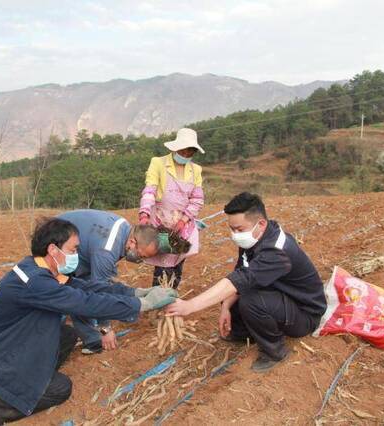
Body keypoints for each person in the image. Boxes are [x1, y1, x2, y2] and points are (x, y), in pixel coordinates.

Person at [0, 218, 177, 426]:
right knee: (60, 389)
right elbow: (86, 302)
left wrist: (135, 292)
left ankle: (30, 376)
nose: (76, 255)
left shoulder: (40, 268)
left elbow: (86, 288)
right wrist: (141, 306)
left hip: (1, 343)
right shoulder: (36, 282)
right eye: (73, 249)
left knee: (67, 335)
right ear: (54, 250)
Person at [165, 192, 327, 372]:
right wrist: (226, 308)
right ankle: (244, 332)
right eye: (232, 229)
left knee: (252, 300)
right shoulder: (256, 238)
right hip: (281, 296)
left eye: (239, 230)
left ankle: (274, 352)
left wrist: (190, 306)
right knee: (234, 293)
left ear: (261, 224)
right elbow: (239, 274)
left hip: (304, 314)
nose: (235, 235)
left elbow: (238, 282)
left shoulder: (277, 252)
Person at [57, 209, 160, 354]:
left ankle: (92, 340)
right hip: (57, 245)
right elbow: (99, 291)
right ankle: (53, 333)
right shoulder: (106, 251)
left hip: (82, 249)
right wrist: (106, 329)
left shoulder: (126, 229)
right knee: (68, 294)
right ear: (132, 242)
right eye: (141, 255)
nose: (140, 260)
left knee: (83, 289)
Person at [139, 127, 205, 288]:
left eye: (190, 152)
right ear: (176, 147)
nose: (186, 155)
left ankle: (171, 297)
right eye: (183, 151)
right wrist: (144, 214)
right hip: (161, 222)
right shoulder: (158, 163)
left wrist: (183, 220)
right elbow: (150, 190)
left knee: (178, 261)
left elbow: (197, 199)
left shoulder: (195, 170)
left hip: (183, 223)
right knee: (163, 263)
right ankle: (159, 297)